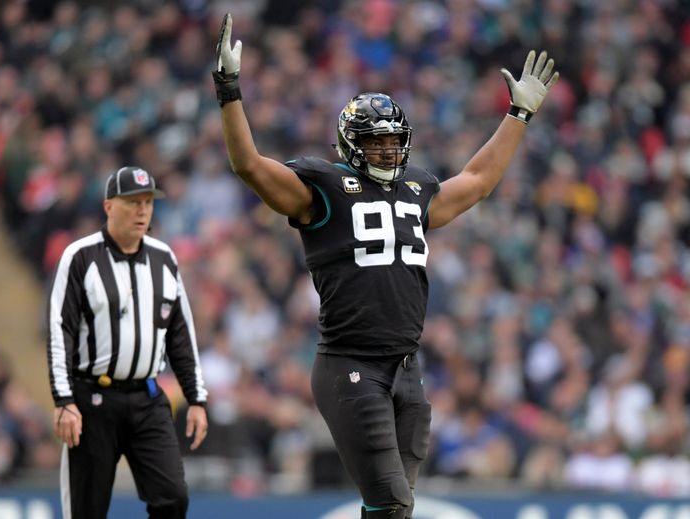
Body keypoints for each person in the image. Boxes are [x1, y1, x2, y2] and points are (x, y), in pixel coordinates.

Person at [212, 13, 558, 519]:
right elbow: (249, 165)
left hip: (406, 368)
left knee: (395, 510)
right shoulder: (322, 188)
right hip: (349, 365)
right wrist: (229, 90)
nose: (387, 149)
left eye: (393, 140)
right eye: (375, 140)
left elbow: (478, 181)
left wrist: (518, 116)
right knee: (392, 503)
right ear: (350, 144)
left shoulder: (415, 188)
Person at [46, 166, 208, 519]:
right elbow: (61, 330)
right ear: (108, 207)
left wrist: (196, 398)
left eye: (148, 202)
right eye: (133, 202)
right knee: (86, 510)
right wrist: (64, 400)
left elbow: (180, 333)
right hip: (93, 400)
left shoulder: (164, 259)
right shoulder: (81, 257)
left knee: (173, 498)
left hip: (147, 399)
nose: (142, 211)